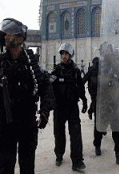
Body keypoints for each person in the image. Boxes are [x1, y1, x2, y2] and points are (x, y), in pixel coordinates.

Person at [0, 18, 55, 174]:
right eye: (6, 34)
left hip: (28, 123)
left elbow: (46, 86)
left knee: (27, 166)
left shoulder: (31, 63)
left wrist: (45, 111)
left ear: (21, 39)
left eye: (11, 34)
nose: (6, 36)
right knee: (3, 167)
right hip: (5, 123)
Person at [50, 43, 87, 172]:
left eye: (66, 54)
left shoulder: (76, 72)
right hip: (59, 108)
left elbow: (81, 87)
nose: (63, 56)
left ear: (70, 55)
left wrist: (84, 100)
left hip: (72, 107)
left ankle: (77, 161)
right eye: (62, 54)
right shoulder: (56, 70)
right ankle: (59, 155)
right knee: (59, 133)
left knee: (76, 134)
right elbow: (50, 87)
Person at [94, 42, 119, 164]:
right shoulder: (99, 65)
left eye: (110, 49)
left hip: (114, 102)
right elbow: (94, 82)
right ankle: (97, 145)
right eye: (106, 50)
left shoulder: (116, 66)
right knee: (100, 126)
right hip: (103, 102)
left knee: (117, 128)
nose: (108, 52)